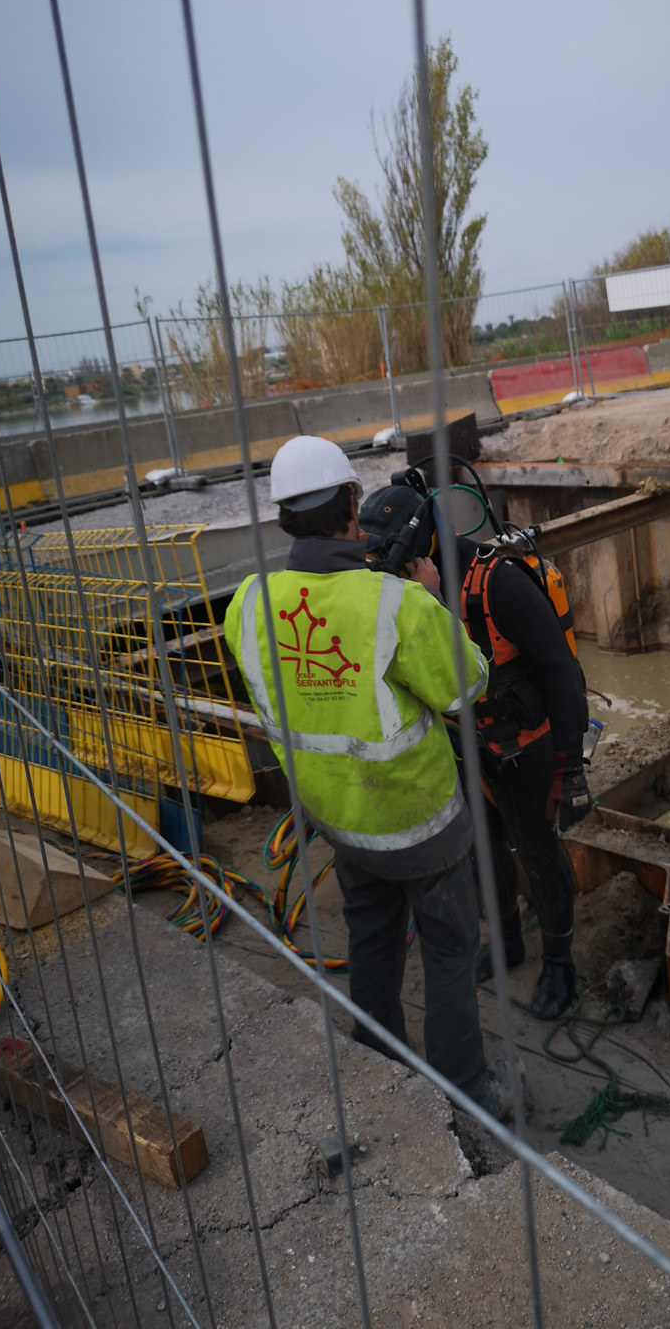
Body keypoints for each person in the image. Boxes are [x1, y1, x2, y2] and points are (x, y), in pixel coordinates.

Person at [224, 436, 507, 1118]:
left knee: (373, 943)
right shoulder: (398, 606)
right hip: (424, 828)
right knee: (447, 952)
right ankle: (463, 1092)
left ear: (284, 517)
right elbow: (467, 688)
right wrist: (438, 602)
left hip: (342, 824)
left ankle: (377, 1068)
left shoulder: (247, 605)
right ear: (354, 504)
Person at [358, 481, 592, 1020]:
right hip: (464, 746)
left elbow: (561, 671)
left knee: (536, 850)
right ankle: (507, 941)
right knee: (480, 851)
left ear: (424, 544)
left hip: (526, 748)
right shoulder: (409, 593)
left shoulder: (499, 584)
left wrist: (570, 766)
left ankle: (559, 962)